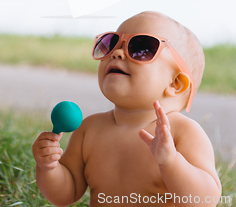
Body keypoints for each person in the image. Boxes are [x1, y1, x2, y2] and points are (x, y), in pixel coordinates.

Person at [32, 11, 221, 207]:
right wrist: (48, 167)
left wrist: (171, 161)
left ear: (175, 83)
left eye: (141, 47)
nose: (117, 52)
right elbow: (65, 195)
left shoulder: (183, 133)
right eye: (110, 43)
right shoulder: (89, 130)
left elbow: (204, 201)